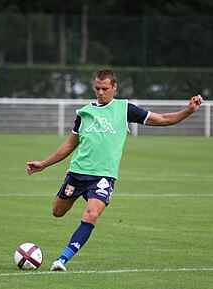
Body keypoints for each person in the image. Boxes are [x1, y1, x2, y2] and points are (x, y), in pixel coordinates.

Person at [26, 69, 204, 271]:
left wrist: (188, 110)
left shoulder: (124, 109)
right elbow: (69, 145)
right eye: (97, 88)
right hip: (76, 173)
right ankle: (72, 209)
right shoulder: (84, 113)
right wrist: (43, 164)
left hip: (103, 176)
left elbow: (163, 119)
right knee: (57, 212)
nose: (100, 92)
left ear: (114, 87)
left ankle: (62, 259)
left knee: (92, 214)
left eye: (104, 88)